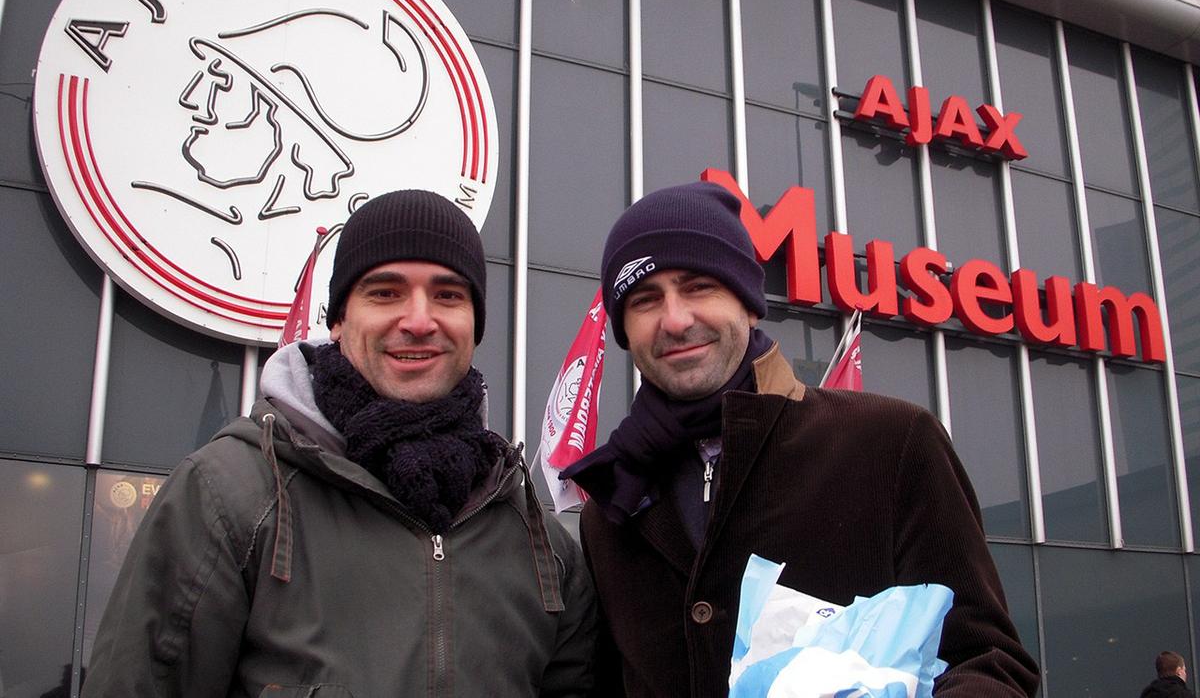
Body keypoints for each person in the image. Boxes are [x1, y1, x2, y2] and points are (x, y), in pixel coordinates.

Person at [83, 190, 596, 697]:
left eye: (447, 295)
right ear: (338, 320)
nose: (419, 320)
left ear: (474, 325)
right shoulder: (228, 494)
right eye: (385, 292)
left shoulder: (540, 544)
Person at [562, 181, 1040, 697]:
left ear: (747, 301)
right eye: (645, 300)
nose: (675, 320)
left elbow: (987, 660)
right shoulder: (612, 511)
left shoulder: (892, 444)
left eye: (699, 286)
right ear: (625, 330)